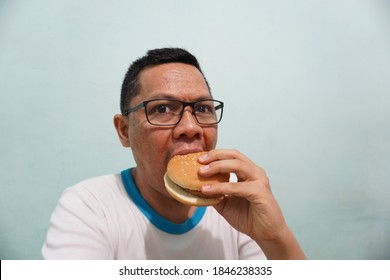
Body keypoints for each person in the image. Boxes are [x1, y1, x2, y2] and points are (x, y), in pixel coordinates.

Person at [42, 47, 306, 260]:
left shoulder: (238, 201)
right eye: (162, 109)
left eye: (202, 109)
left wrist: (274, 237)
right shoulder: (89, 206)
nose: (190, 128)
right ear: (124, 131)